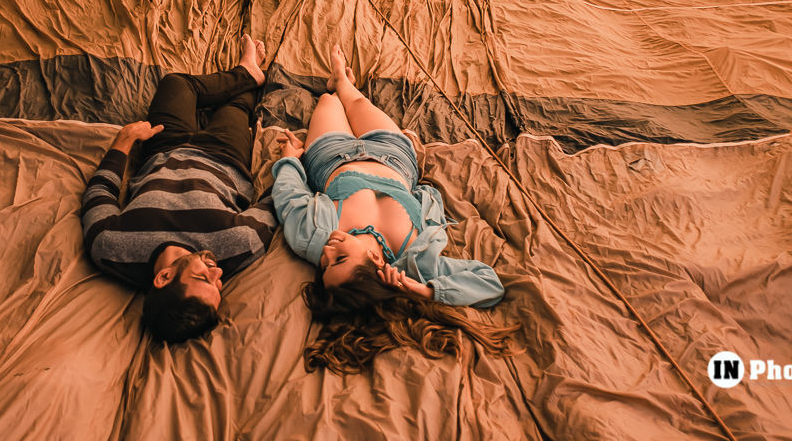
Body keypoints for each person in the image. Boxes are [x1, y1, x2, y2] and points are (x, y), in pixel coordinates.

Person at [272, 44, 517, 373]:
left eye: (325, 265)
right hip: (394, 157)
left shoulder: (314, 239)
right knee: (356, 100)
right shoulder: (415, 261)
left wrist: (289, 158)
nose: (328, 252)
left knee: (329, 100)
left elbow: (289, 196)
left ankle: (338, 84)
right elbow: (489, 284)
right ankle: (344, 82)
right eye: (339, 259)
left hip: (331, 157)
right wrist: (426, 291)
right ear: (374, 261)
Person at [81, 34, 277, 344]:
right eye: (217, 284)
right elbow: (274, 201)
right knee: (239, 104)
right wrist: (291, 161)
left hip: (162, 148)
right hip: (224, 155)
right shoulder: (239, 244)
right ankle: (248, 76)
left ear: (164, 277)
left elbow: (99, 193)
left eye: (203, 277)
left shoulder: (111, 247)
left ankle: (245, 71)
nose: (218, 274)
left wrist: (126, 138)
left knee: (176, 83)